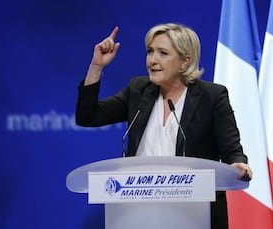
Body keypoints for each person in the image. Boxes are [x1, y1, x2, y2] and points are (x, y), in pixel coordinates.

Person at [75, 23, 253, 229]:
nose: (153, 60)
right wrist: (97, 67)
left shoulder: (212, 97)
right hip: (138, 213)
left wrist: (238, 165)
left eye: (163, 53)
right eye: (150, 52)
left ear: (184, 62)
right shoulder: (138, 90)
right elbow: (88, 116)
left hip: (194, 215)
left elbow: (232, 152)